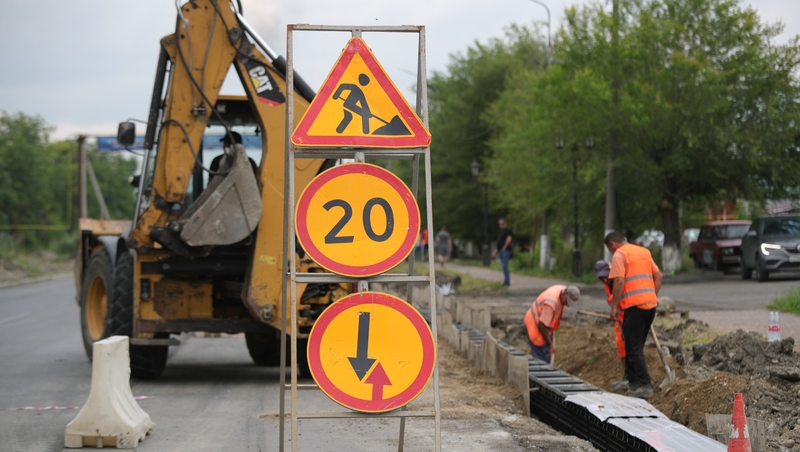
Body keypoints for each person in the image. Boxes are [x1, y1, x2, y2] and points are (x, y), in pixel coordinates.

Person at [604, 231, 662, 399]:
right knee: (633, 346)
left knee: (633, 348)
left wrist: (614, 307)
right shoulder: (643, 251)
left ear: (612, 245)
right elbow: (659, 276)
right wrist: (652, 294)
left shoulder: (619, 255)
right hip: (650, 305)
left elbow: (619, 281)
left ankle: (645, 385)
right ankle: (633, 382)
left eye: (610, 249)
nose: (611, 252)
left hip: (634, 307)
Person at [523, 285, 581, 363]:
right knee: (541, 363)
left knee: (547, 358)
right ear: (564, 294)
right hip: (535, 327)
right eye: (567, 301)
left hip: (544, 325)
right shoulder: (550, 304)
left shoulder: (562, 289)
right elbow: (542, 326)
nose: (567, 305)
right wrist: (550, 344)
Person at [595, 260, 627, 390]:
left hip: (628, 317)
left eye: (605, 275)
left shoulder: (618, 279)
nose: (604, 279)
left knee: (631, 346)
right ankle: (627, 376)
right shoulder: (607, 283)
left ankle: (634, 378)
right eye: (601, 277)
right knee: (621, 345)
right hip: (618, 319)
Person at [493, 218, 513, 286]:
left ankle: (507, 281)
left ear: (505, 223)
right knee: (503, 266)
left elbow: (509, 239)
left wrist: (505, 247)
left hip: (506, 251)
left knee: (505, 265)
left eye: (502, 224)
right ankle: (505, 280)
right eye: (500, 224)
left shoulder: (508, 231)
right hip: (501, 251)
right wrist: (497, 249)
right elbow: (500, 243)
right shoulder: (502, 232)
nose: (501, 225)